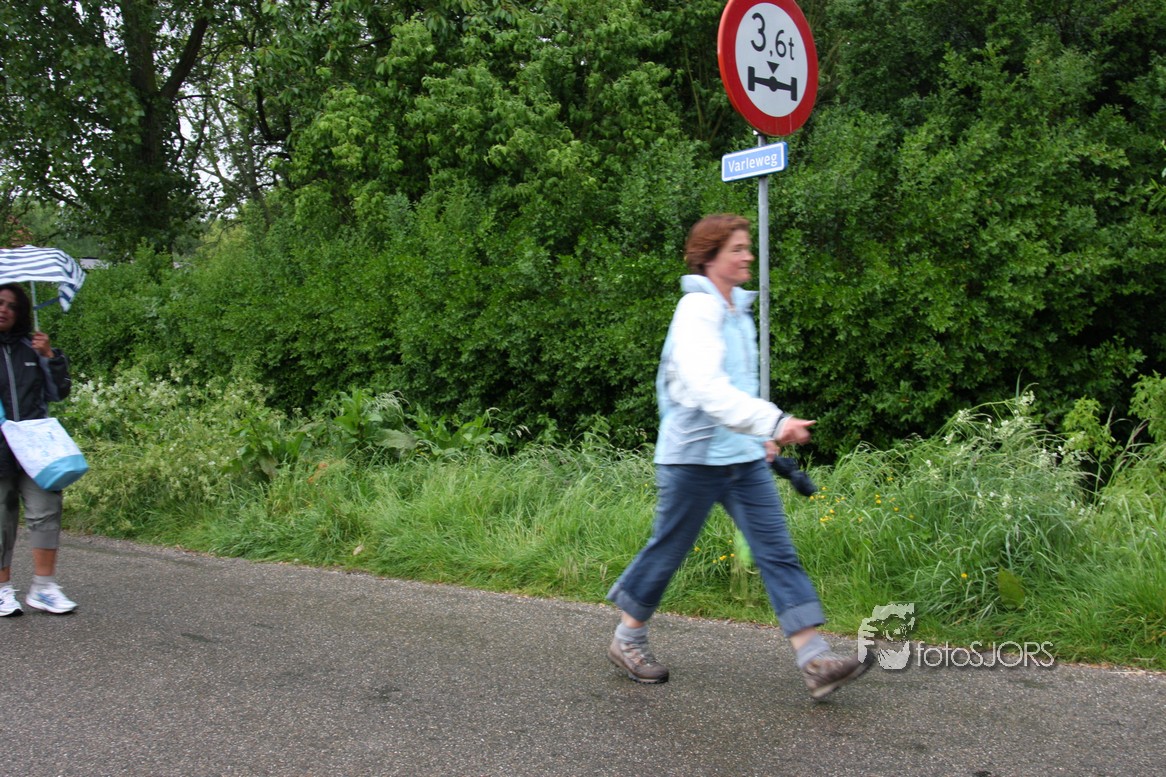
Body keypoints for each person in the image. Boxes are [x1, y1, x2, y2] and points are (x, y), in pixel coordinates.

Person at [606, 214, 869, 700]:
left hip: (742, 458)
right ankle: (628, 638)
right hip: (693, 458)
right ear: (710, 257)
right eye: (737, 249)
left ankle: (814, 660)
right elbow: (707, 388)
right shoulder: (697, 310)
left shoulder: (737, 311)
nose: (749, 255)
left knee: (776, 550)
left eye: (748, 247)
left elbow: (738, 388)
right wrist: (773, 423)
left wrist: (760, 437)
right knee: (669, 549)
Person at [0, 282, 76, 617]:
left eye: (12, 305)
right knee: (1, 520)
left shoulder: (32, 347)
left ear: (21, 313)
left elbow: (59, 393)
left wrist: (49, 356)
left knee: (46, 510)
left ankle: (44, 588)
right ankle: (2, 590)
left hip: (35, 446)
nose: (4, 309)